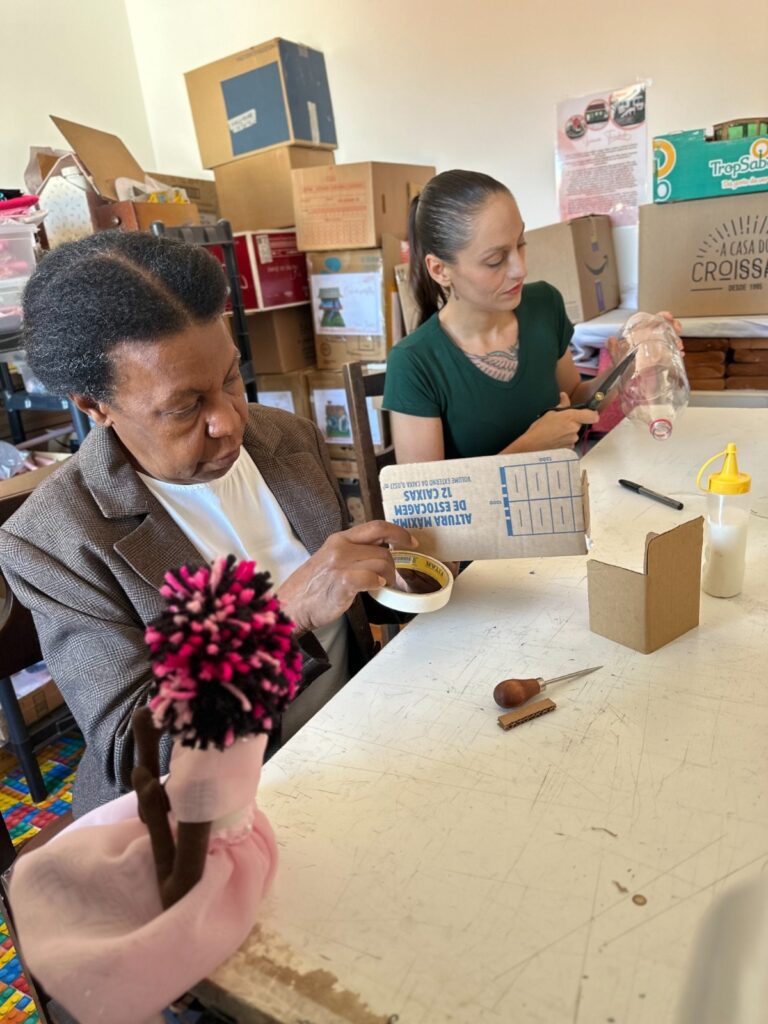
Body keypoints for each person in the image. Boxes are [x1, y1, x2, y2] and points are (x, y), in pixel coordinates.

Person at [0, 231, 415, 816]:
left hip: (356, 732)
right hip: (216, 809)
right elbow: (137, 747)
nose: (229, 420)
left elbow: (345, 605)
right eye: (185, 406)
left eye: (229, 378)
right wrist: (282, 617)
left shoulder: (285, 439)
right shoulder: (55, 541)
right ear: (95, 406)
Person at [383, 170, 679, 463]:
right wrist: (530, 447)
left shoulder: (543, 305)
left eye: (520, 244)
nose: (519, 269)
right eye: (495, 260)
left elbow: (574, 399)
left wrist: (628, 362)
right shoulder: (413, 363)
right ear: (439, 270)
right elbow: (424, 504)